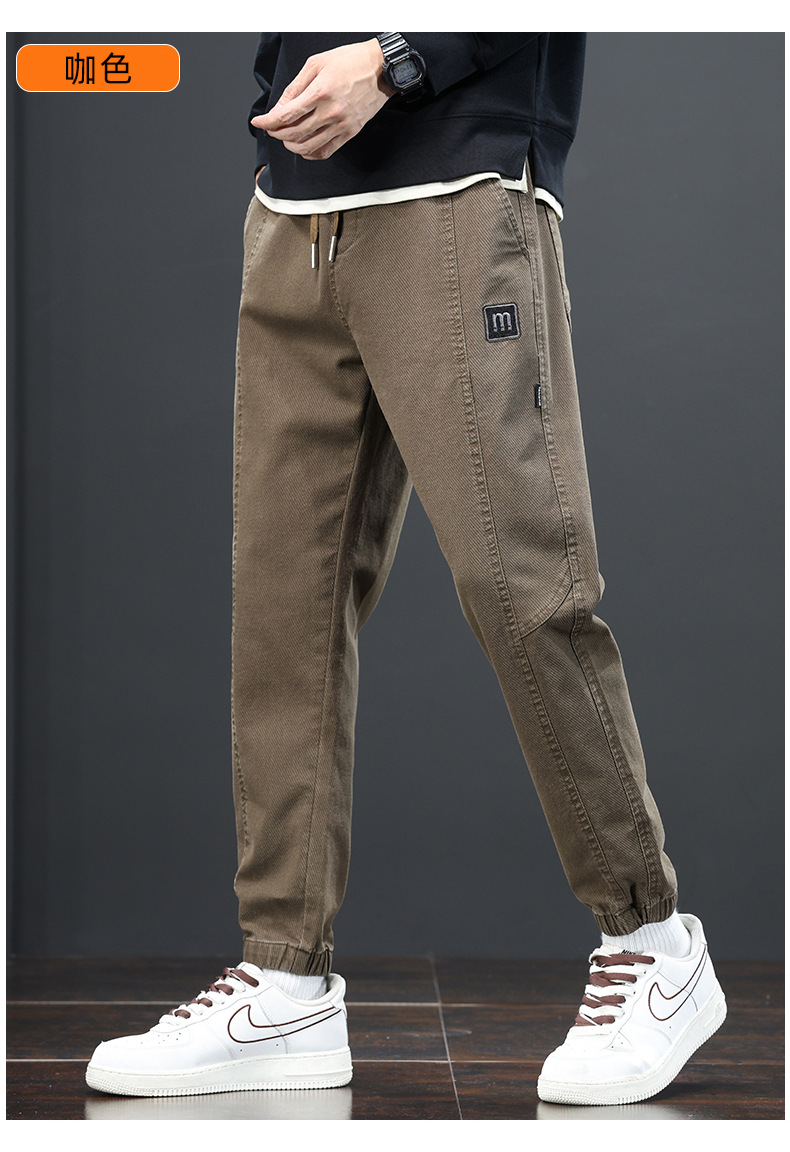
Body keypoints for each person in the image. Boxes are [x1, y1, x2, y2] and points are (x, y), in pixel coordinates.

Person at [86, 33, 726, 1106]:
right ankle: (285, 979)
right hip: (293, 211)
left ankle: (652, 944)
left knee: (521, 587)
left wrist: (396, 59)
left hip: (459, 186)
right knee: (283, 610)